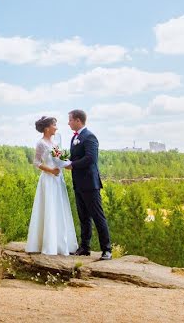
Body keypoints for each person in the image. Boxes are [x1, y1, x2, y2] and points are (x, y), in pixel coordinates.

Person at [25, 115, 78, 255]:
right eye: (54, 125)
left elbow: (61, 159)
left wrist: (71, 165)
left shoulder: (55, 143)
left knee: (58, 208)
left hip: (57, 179)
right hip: (48, 180)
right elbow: (36, 162)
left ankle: (60, 243)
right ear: (47, 128)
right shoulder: (41, 143)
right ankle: (49, 245)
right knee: (48, 208)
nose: (56, 127)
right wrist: (51, 170)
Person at [64, 109, 112, 260]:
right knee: (83, 217)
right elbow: (75, 157)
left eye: (70, 120)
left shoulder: (89, 137)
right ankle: (85, 247)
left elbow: (91, 159)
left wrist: (72, 164)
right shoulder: (74, 138)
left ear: (78, 120)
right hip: (78, 183)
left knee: (98, 216)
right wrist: (63, 160)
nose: (68, 123)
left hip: (90, 184)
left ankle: (107, 249)